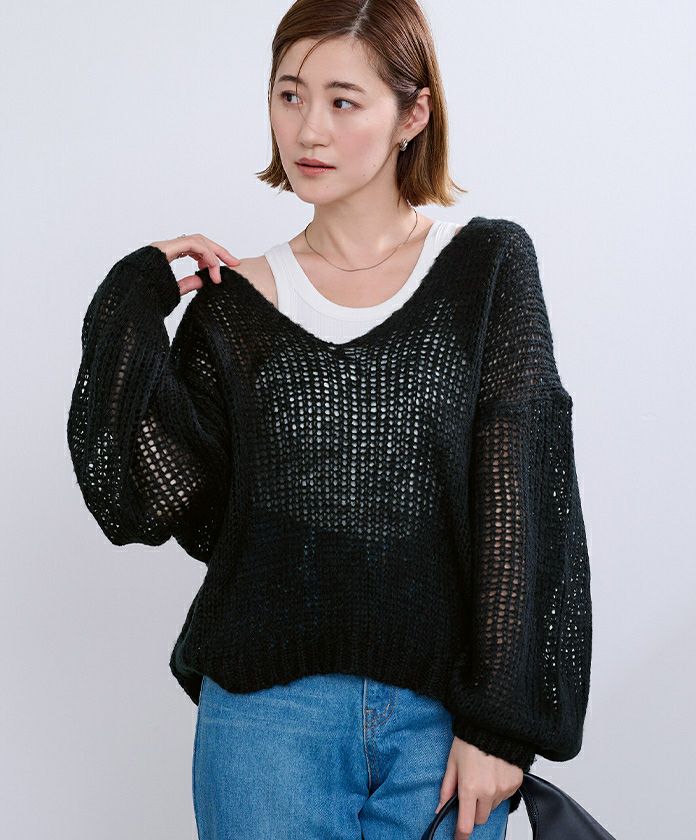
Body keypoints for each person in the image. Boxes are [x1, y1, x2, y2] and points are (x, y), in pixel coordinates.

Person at [66, 2, 593, 839]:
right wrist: (130, 305)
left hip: (443, 726)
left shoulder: (488, 268)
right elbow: (150, 500)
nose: (308, 129)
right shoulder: (233, 306)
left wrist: (502, 725)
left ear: (412, 115)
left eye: (343, 100)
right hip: (264, 724)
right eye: (290, 94)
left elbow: (522, 508)